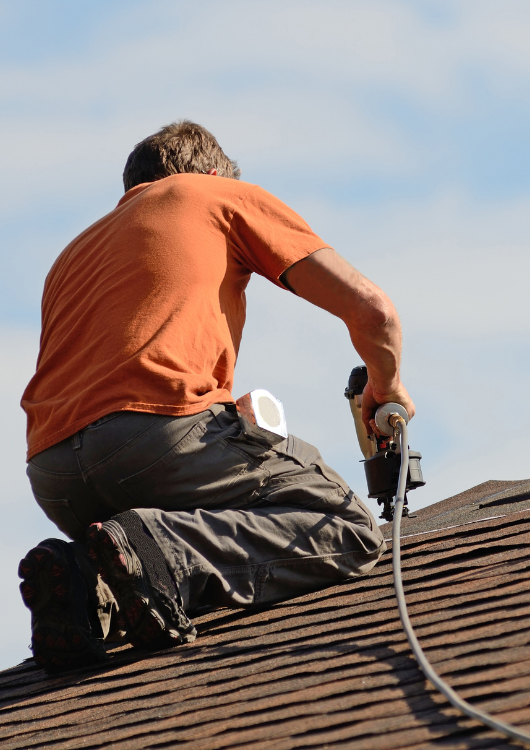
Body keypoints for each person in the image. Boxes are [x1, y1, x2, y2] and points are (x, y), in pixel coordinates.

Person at [18, 120, 414, 671]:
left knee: (132, 553)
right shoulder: (213, 195)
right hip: (156, 437)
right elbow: (375, 312)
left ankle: (85, 587)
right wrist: (386, 384)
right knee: (345, 526)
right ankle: (167, 552)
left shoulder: (73, 254)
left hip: (54, 473)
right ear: (209, 173)